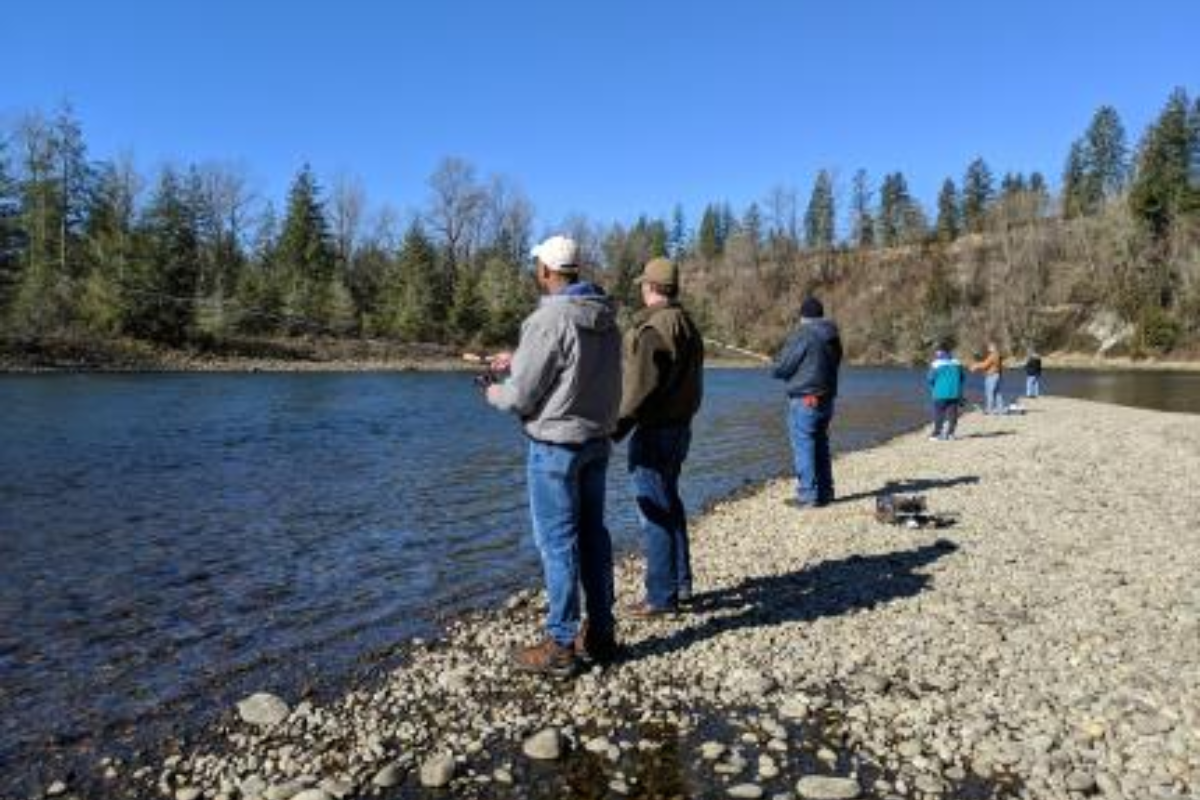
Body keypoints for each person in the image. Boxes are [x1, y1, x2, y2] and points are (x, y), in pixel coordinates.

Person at [484, 234, 622, 677]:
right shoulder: (605, 318)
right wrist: (516, 359)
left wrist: (492, 390)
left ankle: (561, 643)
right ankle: (601, 634)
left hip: (555, 450)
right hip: (597, 443)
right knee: (593, 539)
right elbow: (569, 368)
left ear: (546, 271)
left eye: (537, 268)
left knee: (558, 545)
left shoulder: (547, 320)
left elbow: (521, 396)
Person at [613, 257, 704, 617]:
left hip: (655, 431)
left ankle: (661, 596)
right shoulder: (686, 324)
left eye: (642, 285)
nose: (640, 289)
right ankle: (681, 584)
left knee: (653, 513)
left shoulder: (655, 329)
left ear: (650, 287)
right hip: (680, 428)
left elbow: (638, 389)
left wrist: (614, 429)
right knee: (670, 503)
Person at [772, 296, 842, 507]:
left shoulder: (804, 334)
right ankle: (826, 492)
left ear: (803, 316)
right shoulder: (833, 336)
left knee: (804, 446)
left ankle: (808, 495)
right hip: (826, 399)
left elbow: (783, 367)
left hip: (806, 399)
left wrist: (777, 365)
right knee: (820, 444)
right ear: (820, 315)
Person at [927, 346, 966, 440]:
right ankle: (950, 434)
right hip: (954, 393)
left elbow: (930, 378)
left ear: (940, 353)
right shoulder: (957, 363)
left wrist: (933, 387)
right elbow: (962, 378)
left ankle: (937, 434)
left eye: (937, 353)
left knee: (939, 414)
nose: (936, 355)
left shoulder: (936, 364)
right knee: (953, 414)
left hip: (940, 393)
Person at [970, 341, 1005, 414]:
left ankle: (990, 409)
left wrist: (975, 366)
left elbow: (985, 364)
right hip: (997, 375)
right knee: (997, 393)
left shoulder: (993, 355)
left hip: (991, 376)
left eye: (989, 347)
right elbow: (987, 363)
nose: (988, 348)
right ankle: (1000, 409)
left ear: (993, 347)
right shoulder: (998, 355)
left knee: (990, 393)